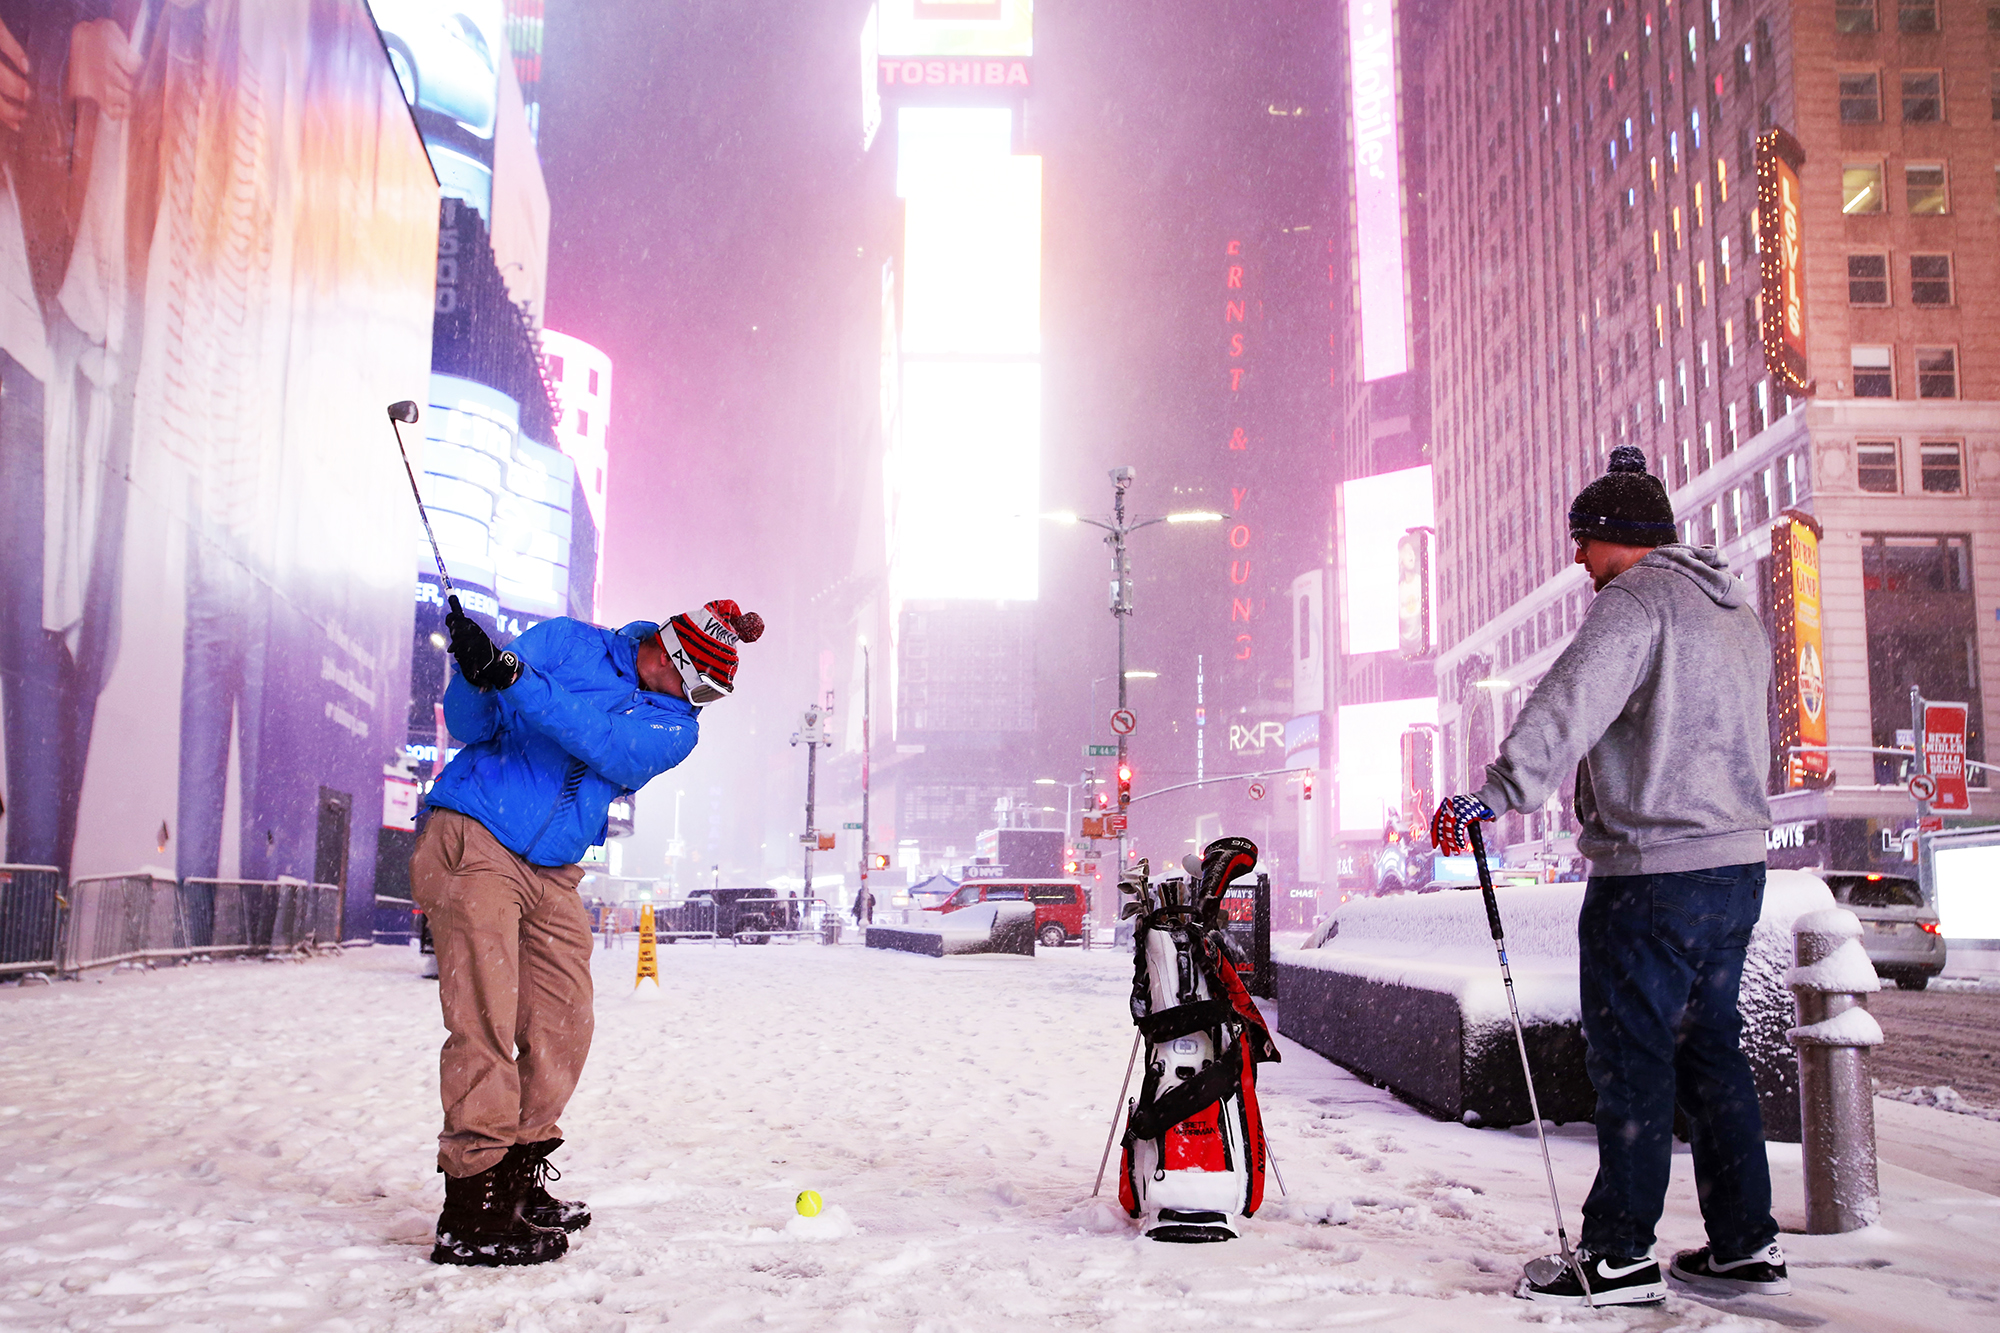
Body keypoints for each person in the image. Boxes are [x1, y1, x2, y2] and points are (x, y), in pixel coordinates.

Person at [1430, 446, 1784, 1307]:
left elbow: (1570, 699)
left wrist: (1497, 793)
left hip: (1653, 874)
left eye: (1584, 540)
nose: (1578, 559)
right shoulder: (1733, 607)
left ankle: (1620, 1252)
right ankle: (1745, 1241)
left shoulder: (1634, 601)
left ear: (1621, 537)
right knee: (1712, 1052)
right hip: (1736, 869)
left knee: (1632, 1059)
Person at [411, 599, 764, 1267]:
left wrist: (515, 676)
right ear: (669, 652)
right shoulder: (568, 644)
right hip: (476, 833)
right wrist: (474, 671)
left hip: (554, 868)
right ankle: (473, 1205)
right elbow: (472, 724)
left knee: (565, 1020)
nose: (699, 705)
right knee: (485, 1017)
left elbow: (601, 741)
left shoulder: (675, 729)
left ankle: (516, 1174)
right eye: (700, 688)